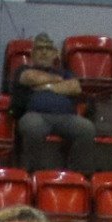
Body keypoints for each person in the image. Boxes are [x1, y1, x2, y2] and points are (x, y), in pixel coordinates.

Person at [12, 34, 96, 173]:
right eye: (40, 49)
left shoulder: (65, 73)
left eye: (48, 49)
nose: (44, 52)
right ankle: (33, 173)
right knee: (33, 128)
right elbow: (31, 77)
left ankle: (77, 175)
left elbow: (75, 87)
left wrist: (45, 86)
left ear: (55, 53)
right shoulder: (23, 70)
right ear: (32, 54)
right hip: (35, 115)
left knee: (87, 128)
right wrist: (59, 83)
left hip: (66, 117)